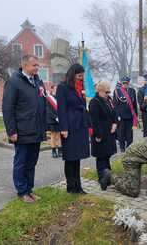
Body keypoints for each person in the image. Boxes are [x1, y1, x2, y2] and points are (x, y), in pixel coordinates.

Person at [2, 55, 47, 203]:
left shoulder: (38, 81)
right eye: (34, 65)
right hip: (22, 130)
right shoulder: (14, 82)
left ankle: (29, 189)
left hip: (36, 129)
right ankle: (22, 191)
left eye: (37, 65)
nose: (37, 68)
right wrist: (11, 131)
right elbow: (8, 108)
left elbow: (42, 103)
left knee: (32, 162)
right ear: (25, 66)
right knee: (21, 161)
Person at [56, 63, 91, 194]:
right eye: (79, 75)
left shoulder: (80, 88)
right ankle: (71, 186)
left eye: (82, 75)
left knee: (77, 157)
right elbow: (61, 109)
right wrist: (63, 128)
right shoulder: (63, 88)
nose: (81, 78)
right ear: (73, 74)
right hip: (69, 126)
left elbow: (83, 106)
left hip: (80, 126)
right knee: (70, 158)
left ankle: (78, 185)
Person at [89, 81, 118, 190]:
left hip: (109, 133)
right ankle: (102, 179)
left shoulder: (108, 100)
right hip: (100, 134)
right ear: (100, 91)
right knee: (101, 157)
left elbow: (115, 113)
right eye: (106, 92)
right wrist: (98, 134)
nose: (108, 93)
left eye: (109, 91)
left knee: (107, 156)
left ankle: (108, 176)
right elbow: (94, 120)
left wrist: (115, 123)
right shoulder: (94, 102)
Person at [113, 76, 138, 152]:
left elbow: (134, 104)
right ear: (122, 83)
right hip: (121, 116)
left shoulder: (132, 91)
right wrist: (117, 116)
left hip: (130, 116)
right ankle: (122, 147)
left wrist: (135, 116)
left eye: (126, 83)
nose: (125, 84)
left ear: (128, 83)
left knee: (130, 133)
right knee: (121, 133)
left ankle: (129, 147)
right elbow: (115, 105)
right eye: (124, 83)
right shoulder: (117, 91)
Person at [46, 85, 62, 158]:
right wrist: (55, 117)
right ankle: (53, 151)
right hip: (52, 120)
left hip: (59, 119)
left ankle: (60, 150)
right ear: (52, 90)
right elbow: (49, 110)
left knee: (58, 135)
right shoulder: (49, 98)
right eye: (55, 89)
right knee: (53, 135)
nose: (56, 90)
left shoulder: (59, 98)